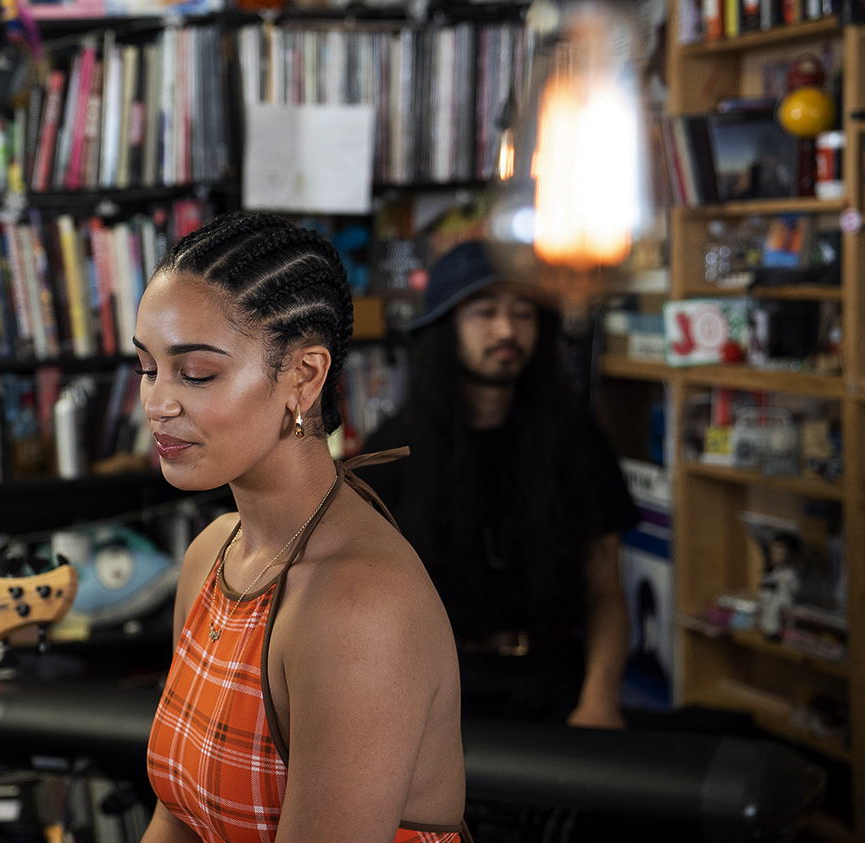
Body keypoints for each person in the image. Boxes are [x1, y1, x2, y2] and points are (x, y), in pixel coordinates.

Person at [137, 212, 465, 843]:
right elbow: (177, 819)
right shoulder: (213, 554)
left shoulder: (361, 607)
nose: (156, 402)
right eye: (149, 367)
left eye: (197, 373)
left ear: (304, 377)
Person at [356, 241, 639, 728]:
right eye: (485, 312)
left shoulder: (578, 442)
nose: (507, 330)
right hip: (439, 688)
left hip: (557, 680)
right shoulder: (390, 454)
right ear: (447, 328)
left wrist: (600, 700)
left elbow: (606, 593)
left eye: (523, 314)